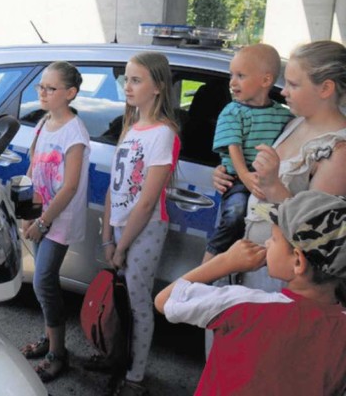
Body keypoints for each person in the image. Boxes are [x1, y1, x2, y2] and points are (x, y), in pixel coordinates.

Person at [155, 190, 346, 395]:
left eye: (273, 238)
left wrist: (225, 261)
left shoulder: (242, 304)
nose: (267, 243)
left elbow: (164, 300)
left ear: (298, 261)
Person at [213, 40, 346, 292]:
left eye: (294, 85)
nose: (283, 92)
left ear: (325, 88)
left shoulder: (339, 150)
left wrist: (273, 186)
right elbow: (254, 167)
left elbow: (317, 236)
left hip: (282, 285)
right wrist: (226, 172)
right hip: (247, 265)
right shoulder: (295, 122)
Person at [101, 52, 181, 396]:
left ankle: (135, 376)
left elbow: (147, 201)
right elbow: (114, 186)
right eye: (126, 79)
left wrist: (121, 246)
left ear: (158, 87)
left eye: (136, 80)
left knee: (137, 301)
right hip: (120, 227)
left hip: (144, 229)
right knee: (120, 299)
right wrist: (107, 235)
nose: (127, 87)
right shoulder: (132, 126)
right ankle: (117, 357)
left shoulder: (163, 134)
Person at [19, 61, 90, 382]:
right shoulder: (43, 123)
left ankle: (58, 353)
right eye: (41, 87)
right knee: (44, 284)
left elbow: (70, 185)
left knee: (43, 281)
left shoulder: (75, 133)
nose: (43, 93)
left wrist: (44, 221)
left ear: (70, 93)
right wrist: (28, 215)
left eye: (50, 88)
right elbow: (33, 172)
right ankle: (51, 336)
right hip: (39, 217)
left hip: (58, 221)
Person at [203, 44, 294, 264]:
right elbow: (233, 144)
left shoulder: (284, 116)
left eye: (241, 76)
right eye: (231, 75)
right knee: (235, 214)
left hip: (268, 182)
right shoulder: (232, 111)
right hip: (237, 179)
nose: (232, 82)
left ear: (265, 80)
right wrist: (245, 176)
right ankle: (210, 261)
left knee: (264, 220)